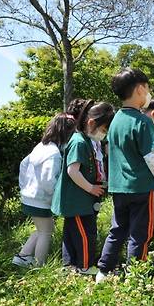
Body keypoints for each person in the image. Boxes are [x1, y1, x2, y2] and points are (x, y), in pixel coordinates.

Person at [96, 69, 154, 283]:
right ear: (139, 89)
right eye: (147, 88)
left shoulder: (116, 119)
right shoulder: (142, 121)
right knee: (140, 233)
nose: (149, 94)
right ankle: (136, 276)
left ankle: (104, 271)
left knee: (117, 229)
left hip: (119, 187)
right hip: (141, 187)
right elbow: (151, 157)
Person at [51, 101, 115, 275]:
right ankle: (85, 265)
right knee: (85, 233)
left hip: (78, 199)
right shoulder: (79, 142)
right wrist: (91, 188)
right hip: (77, 200)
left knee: (71, 233)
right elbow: (73, 171)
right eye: (104, 129)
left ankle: (69, 264)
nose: (105, 133)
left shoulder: (85, 140)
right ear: (91, 123)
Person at [13, 113, 76, 268]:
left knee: (42, 229)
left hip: (30, 196)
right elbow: (49, 181)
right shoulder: (54, 154)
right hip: (41, 199)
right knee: (46, 232)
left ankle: (22, 256)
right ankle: (39, 265)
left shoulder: (41, 146)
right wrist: (56, 196)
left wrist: (24, 186)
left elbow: (23, 165)